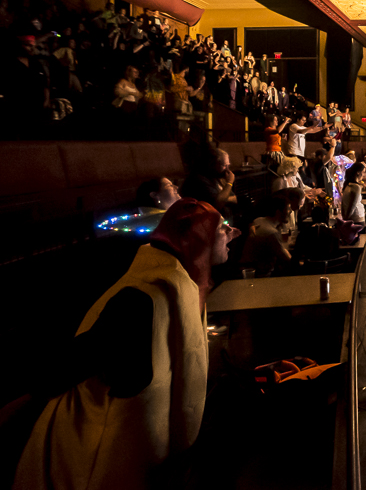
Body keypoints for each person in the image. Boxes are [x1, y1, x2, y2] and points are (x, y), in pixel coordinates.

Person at [15, 200, 239, 489]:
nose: (234, 232)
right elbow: (70, 365)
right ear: (195, 238)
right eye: (221, 227)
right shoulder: (141, 299)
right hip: (95, 463)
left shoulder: (178, 286)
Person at [239, 190, 302, 277]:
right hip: (259, 275)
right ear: (278, 212)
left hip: (248, 270)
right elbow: (286, 258)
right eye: (288, 209)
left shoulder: (259, 220)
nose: (290, 211)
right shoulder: (271, 233)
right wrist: (302, 265)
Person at [180, 148, 237, 215]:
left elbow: (235, 199)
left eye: (228, 165)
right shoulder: (199, 180)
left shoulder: (216, 177)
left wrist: (224, 197)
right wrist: (229, 182)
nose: (227, 169)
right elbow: (217, 203)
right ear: (213, 164)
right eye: (224, 165)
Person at [341, 164, 366, 229]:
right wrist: (346, 220)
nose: (363, 175)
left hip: (354, 218)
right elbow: (352, 206)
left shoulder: (348, 184)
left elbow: (343, 204)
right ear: (358, 172)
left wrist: (344, 217)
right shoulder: (356, 187)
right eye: (363, 172)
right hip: (357, 218)